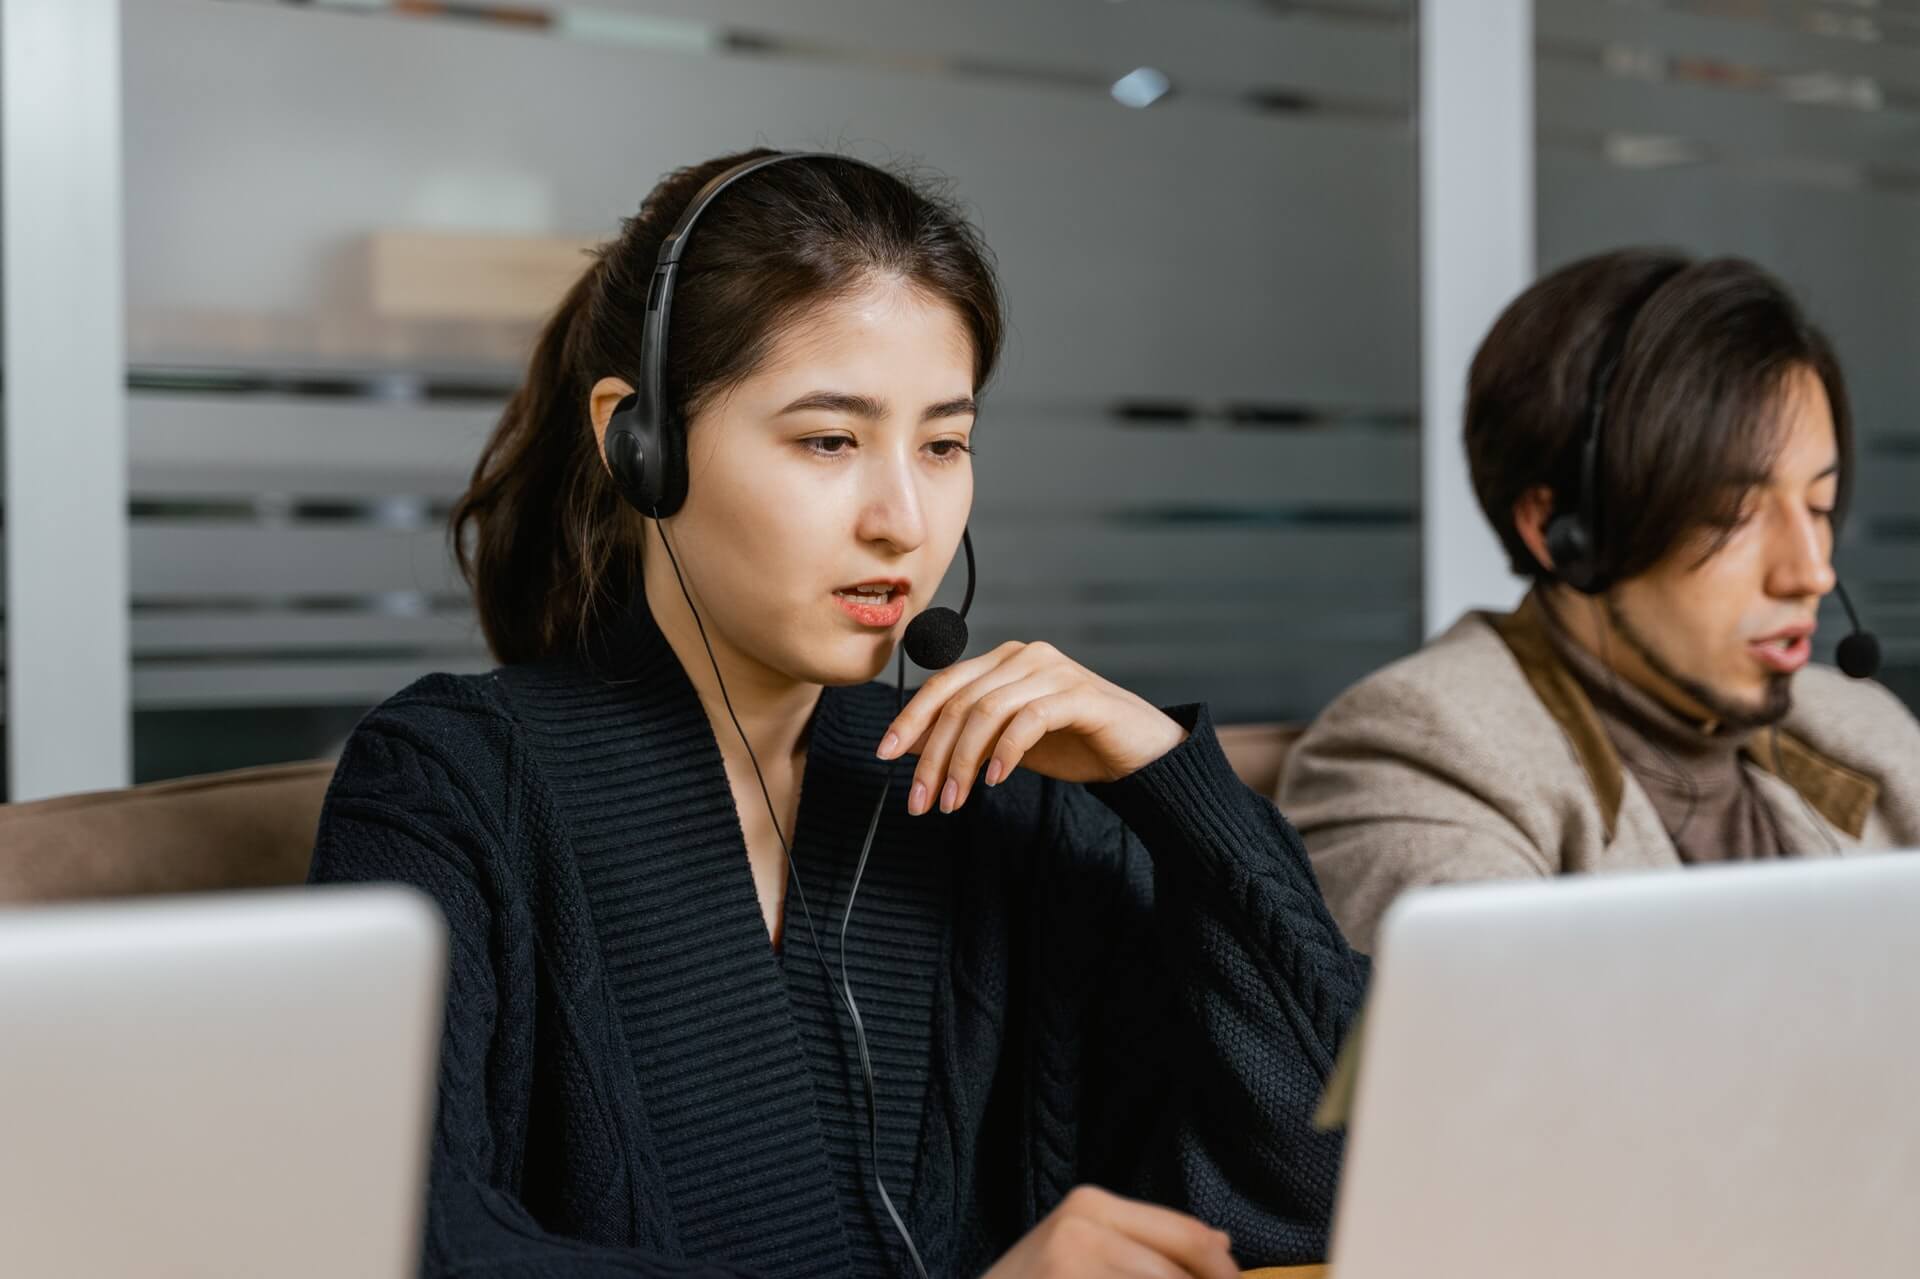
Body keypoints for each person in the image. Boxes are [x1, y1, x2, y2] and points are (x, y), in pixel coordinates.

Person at [310, 149, 1365, 1278]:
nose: (905, 521)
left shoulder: (1001, 797)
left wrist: (1173, 784)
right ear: (639, 444)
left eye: (944, 444)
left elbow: (1327, 1187)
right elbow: (397, 1243)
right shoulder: (445, 786)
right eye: (830, 439)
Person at [1280, 249, 1920, 953]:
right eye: (1733, 513)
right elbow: (1506, 1056)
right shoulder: (1421, 750)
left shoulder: (1863, 732)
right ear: (1565, 534)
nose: (1812, 572)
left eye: (1821, 504)